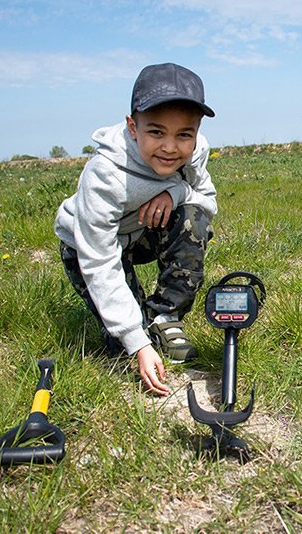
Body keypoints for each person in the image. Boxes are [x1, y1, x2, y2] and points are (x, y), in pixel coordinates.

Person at [55, 62, 217, 396]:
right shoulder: (105, 174)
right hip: (91, 245)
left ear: (196, 132)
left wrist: (174, 193)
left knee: (194, 218)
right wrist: (135, 340)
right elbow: (99, 260)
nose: (170, 147)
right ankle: (140, 331)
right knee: (125, 346)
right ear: (132, 127)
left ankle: (164, 319)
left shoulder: (196, 151)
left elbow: (208, 202)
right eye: (156, 132)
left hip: (144, 231)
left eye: (184, 134)